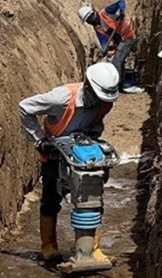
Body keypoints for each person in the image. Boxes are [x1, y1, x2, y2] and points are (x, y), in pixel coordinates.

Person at [18, 62, 120, 263]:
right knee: (50, 199)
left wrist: (94, 139)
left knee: (93, 196)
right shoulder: (61, 98)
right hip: (56, 152)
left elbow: (97, 122)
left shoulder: (105, 102)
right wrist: (39, 139)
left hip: (83, 149)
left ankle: (93, 249)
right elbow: (25, 107)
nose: (101, 101)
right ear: (89, 86)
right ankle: (48, 246)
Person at [78, 0, 140, 93]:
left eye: (88, 20)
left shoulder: (105, 12)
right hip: (120, 41)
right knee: (119, 62)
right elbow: (104, 42)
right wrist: (104, 51)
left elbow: (121, 2)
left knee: (117, 62)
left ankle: (117, 86)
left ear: (92, 15)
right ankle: (122, 84)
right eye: (86, 21)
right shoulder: (97, 27)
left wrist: (122, 11)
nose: (88, 22)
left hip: (127, 36)